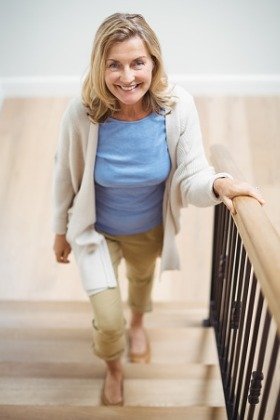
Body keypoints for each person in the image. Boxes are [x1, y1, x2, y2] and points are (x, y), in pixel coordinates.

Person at [52, 13, 265, 406]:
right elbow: (64, 174)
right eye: (114, 64)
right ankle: (114, 367)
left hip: (149, 229)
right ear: (100, 66)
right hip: (95, 231)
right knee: (107, 319)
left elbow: (192, 174)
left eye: (137, 62)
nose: (127, 76)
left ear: (154, 62)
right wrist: (59, 230)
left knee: (141, 282)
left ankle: (139, 325)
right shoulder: (80, 113)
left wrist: (219, 183)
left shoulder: (177, 108)